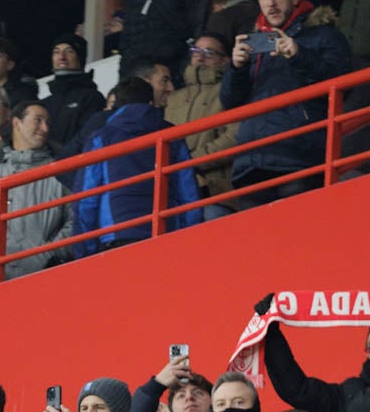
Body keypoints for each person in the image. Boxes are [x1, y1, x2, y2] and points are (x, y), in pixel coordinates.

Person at [220, 0, 353, 209]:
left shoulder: (323, 34)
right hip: (252, 162)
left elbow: (343, 83)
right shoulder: (252, 43)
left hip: (300, 156)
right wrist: (237, 67)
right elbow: (229, 102)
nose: (270, 3)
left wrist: (299, 55)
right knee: (259, 244)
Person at [73, 77, 202, 256]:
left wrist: (83, 251)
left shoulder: (101, 137)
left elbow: (86, 198)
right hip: (166, 233)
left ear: (115, 105)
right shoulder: (172, 134)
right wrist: (190, 239)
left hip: (116, 236)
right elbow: (188, 193)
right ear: (151, 102)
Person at [0, 100, 73, 279]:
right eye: (38, 120)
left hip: (45, 277)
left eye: (47, 123)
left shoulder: (62, 173)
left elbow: (75, 221)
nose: (44, 128)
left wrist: (46, 256)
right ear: (16, 123)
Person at [164, 34, 239, 217]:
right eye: (196, 51)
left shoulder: (231, 90)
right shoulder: (173, 98)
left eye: (209, 52)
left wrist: (190, 161)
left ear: (225, 59)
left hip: (217, 194)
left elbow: (233, 138)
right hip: (177, 195)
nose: (200, 56)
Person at [41, 33, 107, 150]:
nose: (61, 57)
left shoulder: (91, 97)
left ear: (80, 57)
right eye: (56, 52)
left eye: (69, 51)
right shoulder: (45, 102)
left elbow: (89, 139)